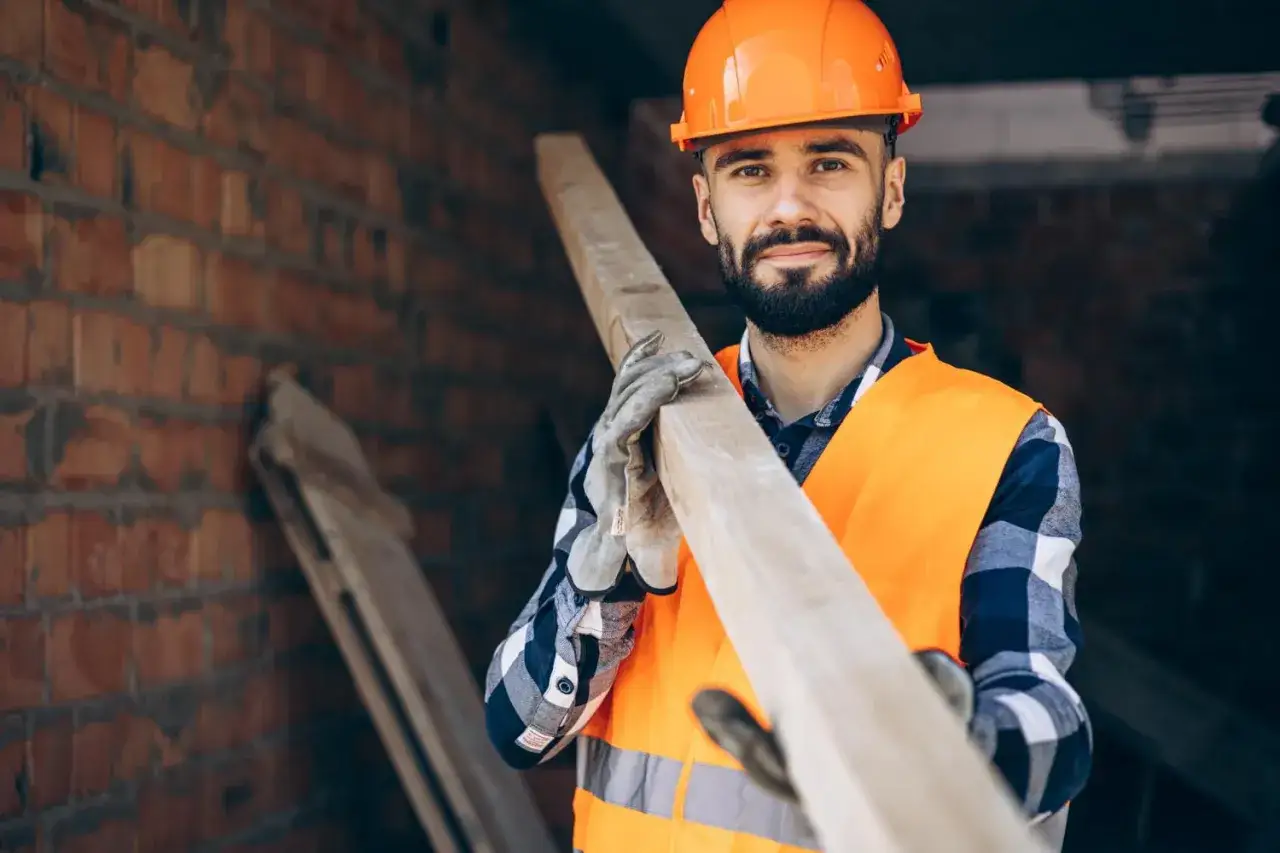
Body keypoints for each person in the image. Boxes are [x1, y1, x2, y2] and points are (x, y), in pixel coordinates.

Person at [483, 0, 1093, 849]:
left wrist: (953, 750)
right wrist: (608, 578)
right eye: (749, 169)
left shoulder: (1004, 443)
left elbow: (1050, 720)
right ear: (705, 208)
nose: (789, 207)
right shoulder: (645, 428)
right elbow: (517, 729)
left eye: (831, 162)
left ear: (892, 190)